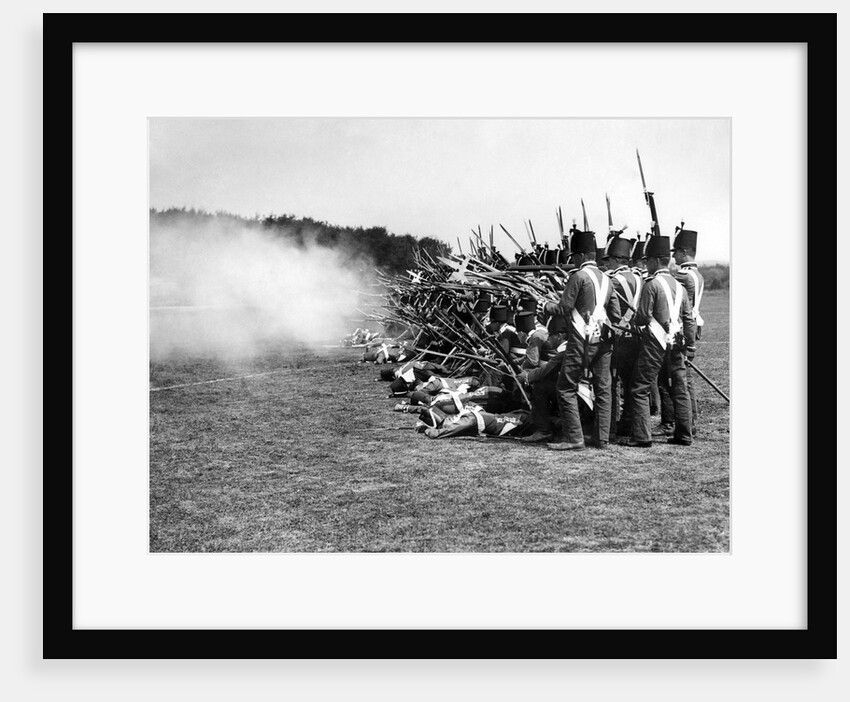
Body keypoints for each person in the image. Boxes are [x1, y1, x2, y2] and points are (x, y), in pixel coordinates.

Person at [539, 229, 620, 450]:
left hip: (581, 341)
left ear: (582, 256)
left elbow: (565, 308)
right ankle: (602, 438)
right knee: (603, 388)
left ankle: (574, 437)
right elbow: (615, 314)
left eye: (574, 255)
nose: (573, 259)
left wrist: (545, 306)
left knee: (565, 387)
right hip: (603, 341)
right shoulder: (607, 279)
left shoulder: (578, 277)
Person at [621, 235, 695, 447]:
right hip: (677, 343)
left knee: (639, 387)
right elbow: (688, 319)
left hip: (655, 342)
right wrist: (689, 345)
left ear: (654, 261)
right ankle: (684, 434)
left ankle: (642, 436)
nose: (646, 264)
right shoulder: (679, 286)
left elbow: (643, 316)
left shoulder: (651, 285)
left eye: (647, 261)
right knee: (679, 390)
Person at [602, 236, 642, 437]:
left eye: (609, 259)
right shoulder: (639, 277)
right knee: (630, 382)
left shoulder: (612, 281)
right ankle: (629, 422)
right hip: (636, 336)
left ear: (617, 259)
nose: (606, 263)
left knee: (612, 382)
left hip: (620, 338)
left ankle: (611, 427)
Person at [671, 227, 704, 435]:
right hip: (692, 325)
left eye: (675, 252)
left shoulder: (684, 275)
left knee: (681, 379)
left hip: (684, 329)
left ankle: (686, 424)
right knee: (687, 377)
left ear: (684, 253)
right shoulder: (697, 274)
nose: (673, 256)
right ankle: (691, 420)